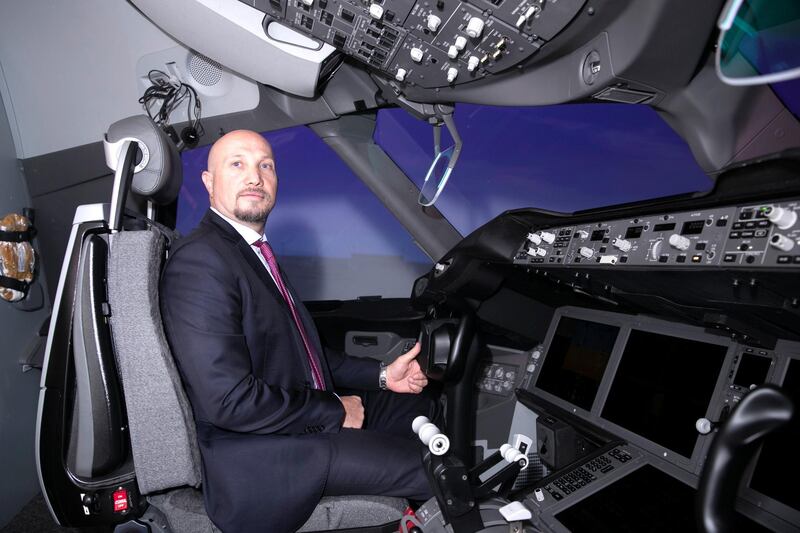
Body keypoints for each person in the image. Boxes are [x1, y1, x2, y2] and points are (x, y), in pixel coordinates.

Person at [160, 130, 436, 533]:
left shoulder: (253, 252)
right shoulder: (201, 262)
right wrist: (335, 410)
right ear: (208, 182)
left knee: (417, 407)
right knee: (431, 468)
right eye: (237, 164)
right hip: (263, 454)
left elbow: (307, 353)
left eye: (265, 166)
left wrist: (382, 375)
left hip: (289, 416)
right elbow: (229, 400)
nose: (254, 176)